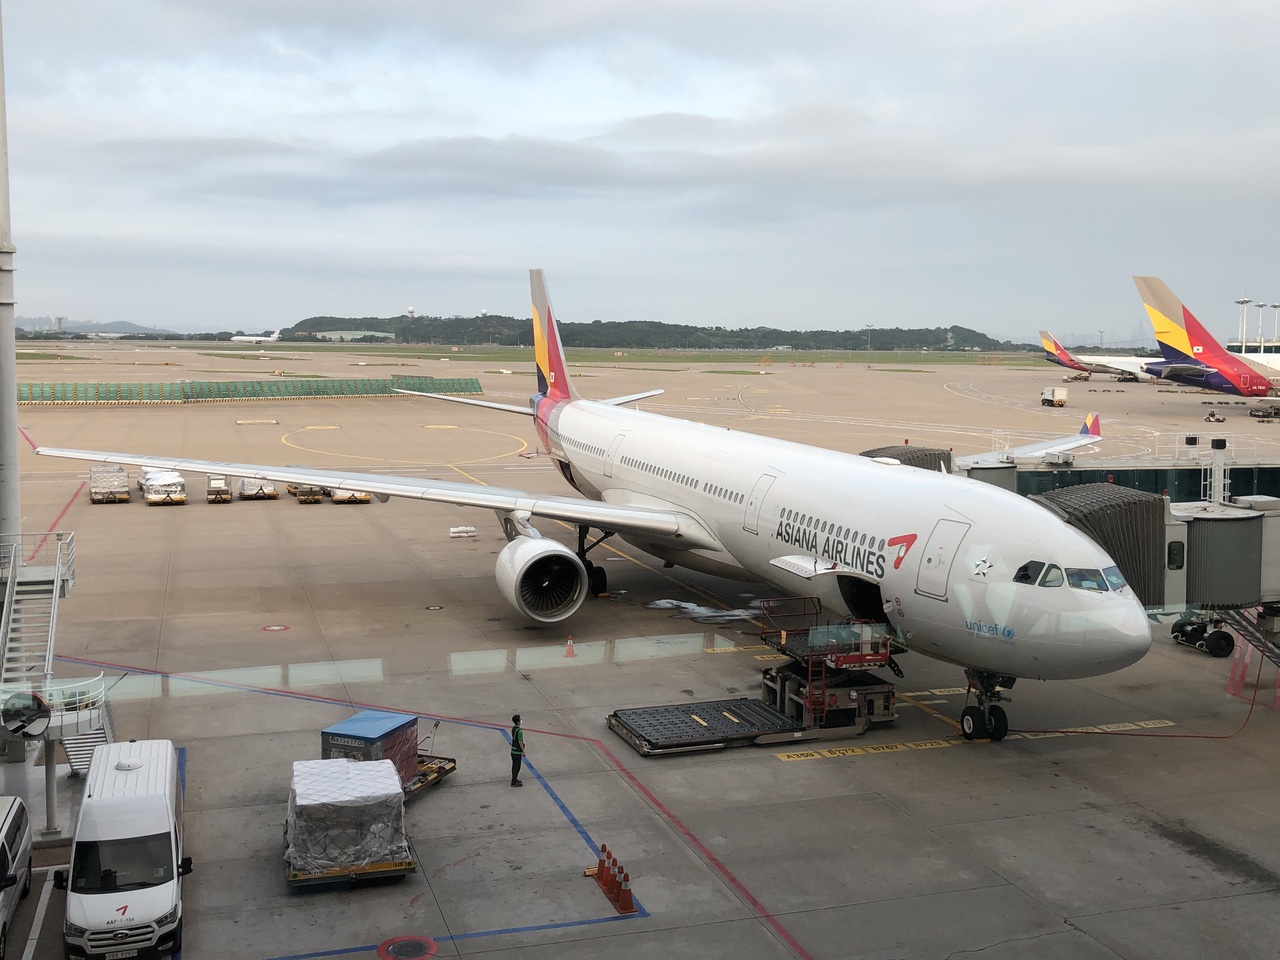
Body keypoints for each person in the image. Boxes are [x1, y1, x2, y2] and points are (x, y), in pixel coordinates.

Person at [510, 714, 526, 787]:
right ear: (518, 721)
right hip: (517, 751)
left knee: (514, 766)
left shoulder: (514, 729)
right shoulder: (520, 731)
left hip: (513, 750)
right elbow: (520, 742)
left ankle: (514, 779)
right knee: (517, 767)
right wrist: (523, 751)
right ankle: (514, 781)